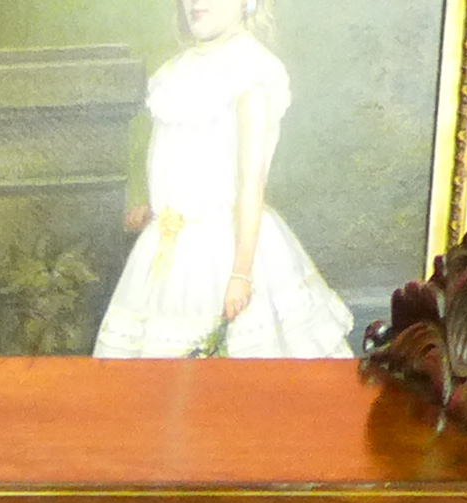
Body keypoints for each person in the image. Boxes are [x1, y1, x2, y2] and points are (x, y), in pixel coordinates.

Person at [94, 0, 358, 359]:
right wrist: (154, 206)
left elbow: (251, 181)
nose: (196, 3)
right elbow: (173, 156)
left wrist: (242, 273)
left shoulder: (250, 71)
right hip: (167, 247)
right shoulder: (174, 72)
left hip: (225, 244)